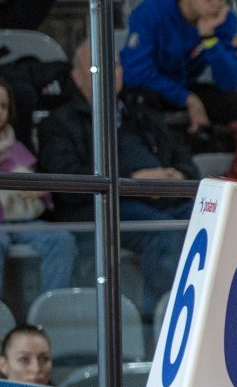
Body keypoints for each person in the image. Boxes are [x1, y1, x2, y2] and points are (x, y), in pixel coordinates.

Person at [37, 40, 199, 319]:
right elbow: (66, 185)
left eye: (114, 65)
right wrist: (133, 181)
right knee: (162, 233)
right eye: (98, 66)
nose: (110, 72)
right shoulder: (60, 123)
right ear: (77, 77)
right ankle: (161, 325)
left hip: (162, 200)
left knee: (211, 220)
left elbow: (185, 161)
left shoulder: (141, 113)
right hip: (101, 209)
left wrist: (178, 175)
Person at [0, 74, 75, 300]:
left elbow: (41, 193)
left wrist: (41, 192)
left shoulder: (14, 145)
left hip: (19, 222)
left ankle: (50, 312)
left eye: (4, 106)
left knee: (61, 239)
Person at [118, 0, 237, 150]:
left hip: (184, 85)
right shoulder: (152, 11)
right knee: (139, 103)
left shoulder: (223, 19)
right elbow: (134, 72)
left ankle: (230, 165)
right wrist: (187, 98)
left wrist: (210, 38)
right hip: (148, 88)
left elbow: (228, 81)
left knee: (235, 103)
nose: (217, 4)